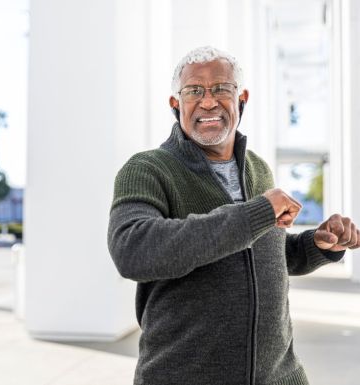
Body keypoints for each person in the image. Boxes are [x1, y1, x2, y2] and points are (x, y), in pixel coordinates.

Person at [107, 46, 360, 385]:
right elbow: (133, 250)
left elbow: (263, 255)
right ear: (175, 104)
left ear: (241, 99)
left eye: (221, 89)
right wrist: (254, 214)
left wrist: (317, 245)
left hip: (281, 377)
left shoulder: (257, 170)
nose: (208, 102)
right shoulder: (147, 169)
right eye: (194, 91)